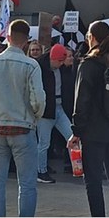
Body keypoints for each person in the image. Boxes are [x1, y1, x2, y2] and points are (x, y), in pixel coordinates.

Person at [0, 19, 45, 217]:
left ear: (7, 36)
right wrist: (35, 118)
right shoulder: (31, 65)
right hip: (23, 128)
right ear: (26, 41)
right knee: (27, 184)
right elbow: (38, 100)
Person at [67, 21, 109, 217]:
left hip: (93, 130)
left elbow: (82, 100)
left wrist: (76, 130)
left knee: (93, 180)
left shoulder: (88, 64)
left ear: (92, 37)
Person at [35, 44, 74, 184]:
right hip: (46, 110)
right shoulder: (41, 67)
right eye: (59, 61)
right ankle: (41, 171)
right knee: (44, 143)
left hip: (57, 106)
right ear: (53, 58)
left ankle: (77, 167)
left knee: (71, 137)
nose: (61, 64)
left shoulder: (53, 67)